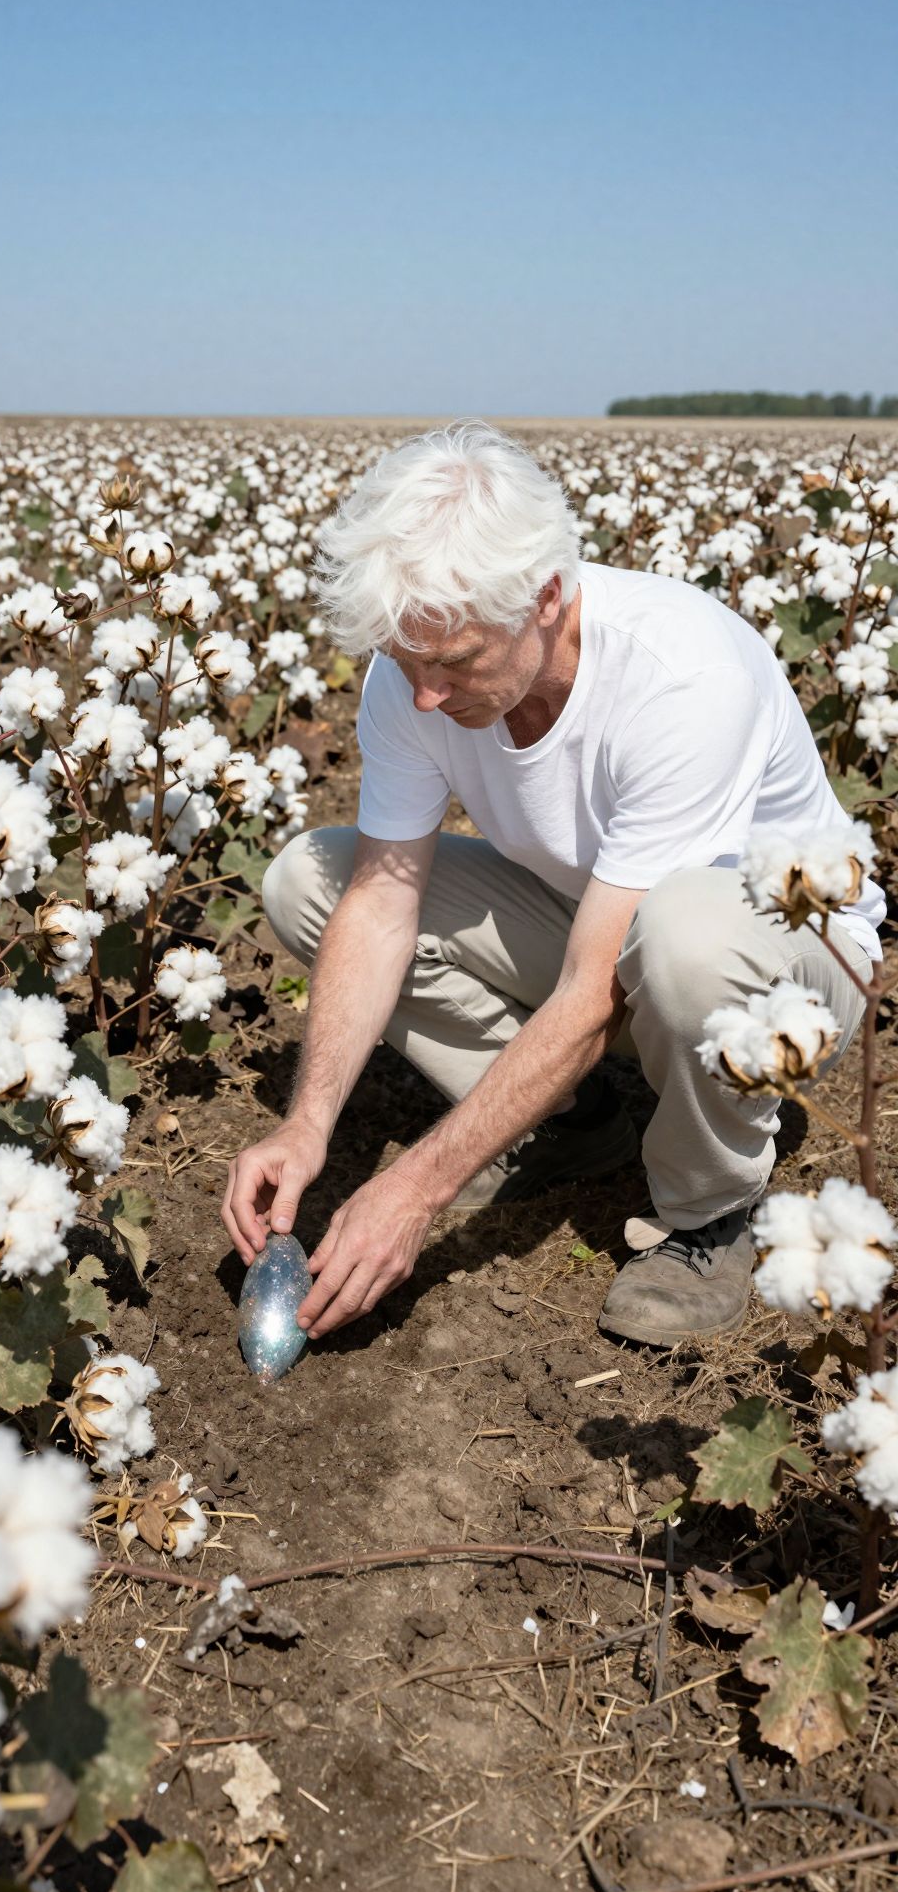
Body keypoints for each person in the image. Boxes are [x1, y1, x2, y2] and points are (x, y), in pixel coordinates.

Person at [219, 424, 882, 1347]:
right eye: (407, 660)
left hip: (787, 959)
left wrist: (415, 1187)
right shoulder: (414, 668)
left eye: (453, 663)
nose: (424, 694)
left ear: (547, 598)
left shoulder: (680, 677)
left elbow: (595, 985)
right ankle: (576, 1122)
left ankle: (709, 1215)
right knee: (311, 882)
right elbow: (378, 906)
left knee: (683, 935)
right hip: (602, 922)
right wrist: (307, 1123)